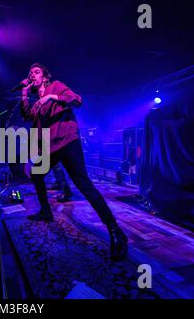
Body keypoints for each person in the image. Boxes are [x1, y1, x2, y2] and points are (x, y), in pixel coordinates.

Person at [20, 63, 128, 260]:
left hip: (68, 140)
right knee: (37, 175)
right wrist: (25, 93)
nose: (32, 75)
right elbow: (28, 116)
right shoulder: (37, 102)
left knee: (83, 184)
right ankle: (46, 212)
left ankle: (115, 231)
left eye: (36, 71)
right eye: (30, 73)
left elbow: (77, 100)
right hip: (50, 147)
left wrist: (52, 97)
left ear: (45, 76)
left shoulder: (56, 86)